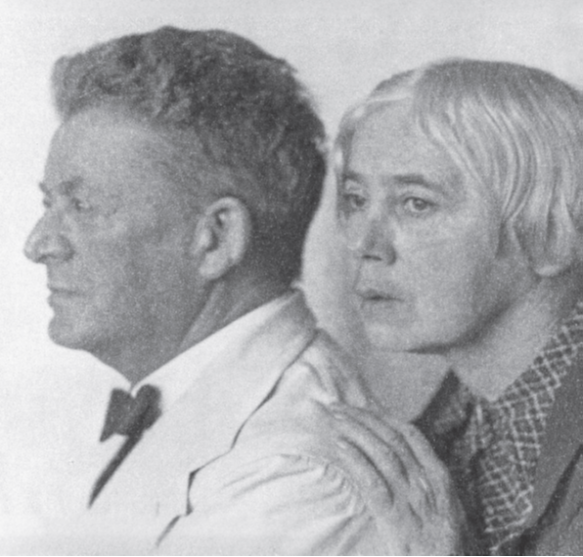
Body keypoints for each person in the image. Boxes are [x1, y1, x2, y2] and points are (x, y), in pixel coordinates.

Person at [23, 27, 461, 555]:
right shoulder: (217, 414)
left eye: (83, 206)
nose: (38, 244)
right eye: (49, 204)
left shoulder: (293, 475)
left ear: (216, 238)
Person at [334, 57, 583, 556]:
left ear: (549, 235)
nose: (364, 242)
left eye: (416, 203)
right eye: (357, 199)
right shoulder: (458, 423)